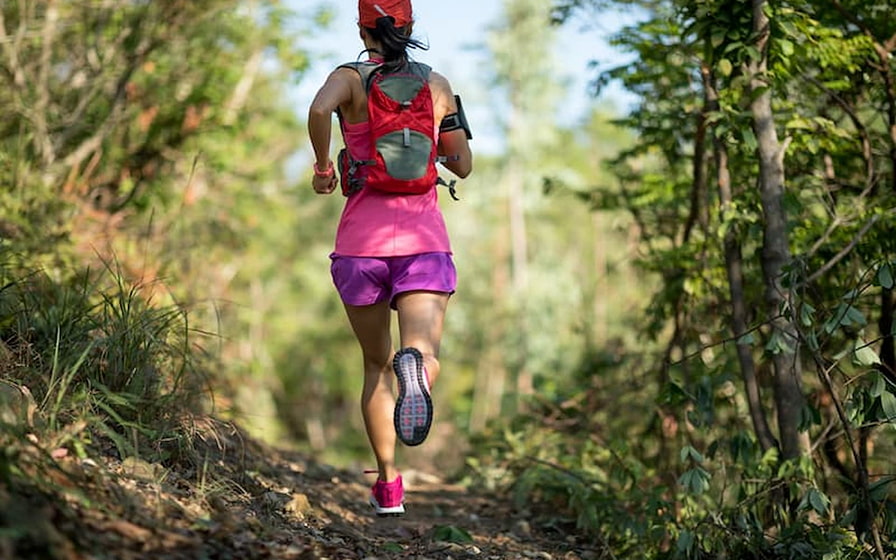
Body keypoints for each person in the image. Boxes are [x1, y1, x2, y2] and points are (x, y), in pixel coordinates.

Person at [306, 0, 472, 517]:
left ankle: (388, 485)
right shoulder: (437, 85)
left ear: (361, 27)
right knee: (420, 354)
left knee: (375, 365)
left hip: (361, 246)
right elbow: (463, 165)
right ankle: (417, 371)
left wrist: (323, 166)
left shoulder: (349, 78)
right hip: (423, 240)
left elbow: (316, 110)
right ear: (411, 26)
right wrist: (427, 151)